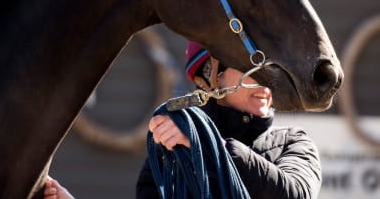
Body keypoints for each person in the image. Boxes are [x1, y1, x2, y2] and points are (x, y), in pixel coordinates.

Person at [135, 41, 322, 198]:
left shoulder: (293, 142)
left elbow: (297, 194)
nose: (267, 82)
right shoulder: (170, 149)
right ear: (212, 75)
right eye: (253, 69)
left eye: (273, 70)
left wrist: (209, 146)